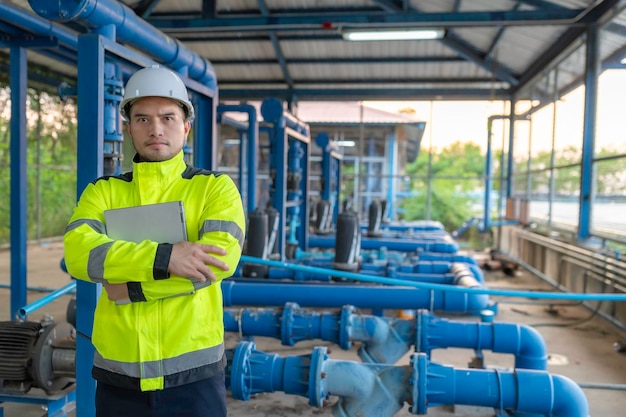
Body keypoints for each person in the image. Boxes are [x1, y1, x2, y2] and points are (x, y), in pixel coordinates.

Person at [63, 65, 246, 417]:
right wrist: (167, 258)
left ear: (186, 126)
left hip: (193, 379)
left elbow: (216, 263)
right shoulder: (104, 192)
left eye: (167, 117)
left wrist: (128, 288)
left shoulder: (214, 188)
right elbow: (78, 254)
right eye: (143, 119)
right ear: (128, 128)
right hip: (120, 378)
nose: (156, 129)